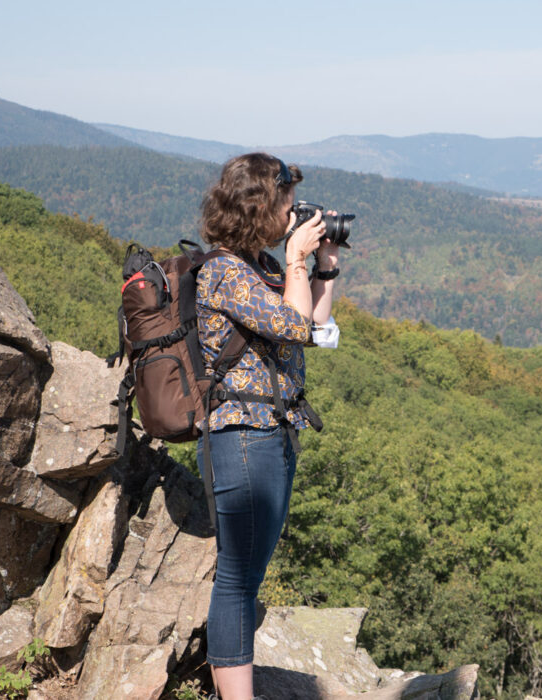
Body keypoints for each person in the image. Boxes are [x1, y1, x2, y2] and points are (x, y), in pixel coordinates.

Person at [195, 152, 340, 700]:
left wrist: (323, 265)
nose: (293, 215)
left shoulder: (260, 266)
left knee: (247, 574)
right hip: (243, 437)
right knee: (237, 578)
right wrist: (297, 259)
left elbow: (315, 327)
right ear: (259, 207)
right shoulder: (224, 272)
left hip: (272, 434)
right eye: (287, 205)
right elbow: (295, 323)